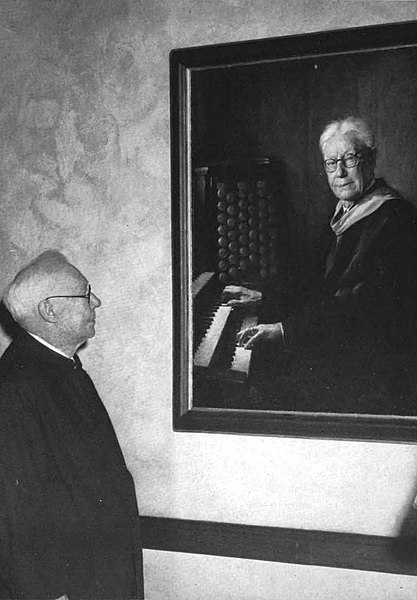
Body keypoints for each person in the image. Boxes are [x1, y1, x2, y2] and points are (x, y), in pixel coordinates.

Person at [225, 116, 417, 412]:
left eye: (349, 159)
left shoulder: (396, 220)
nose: (339, 172)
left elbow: (359, 305)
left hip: (371, 368)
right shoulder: (343, 211)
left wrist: (285, 330)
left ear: (372, 159)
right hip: (335, 342)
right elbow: (314, 281)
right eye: (331, 163)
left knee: (266, 379)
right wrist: (265, 296)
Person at [0, 251, 144, 600]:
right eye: (84, 293)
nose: (96, 301)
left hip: (101, 574)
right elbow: (16, 508)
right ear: (49, 310)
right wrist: (50, 594)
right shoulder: (15, 385)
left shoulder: (63, 368)